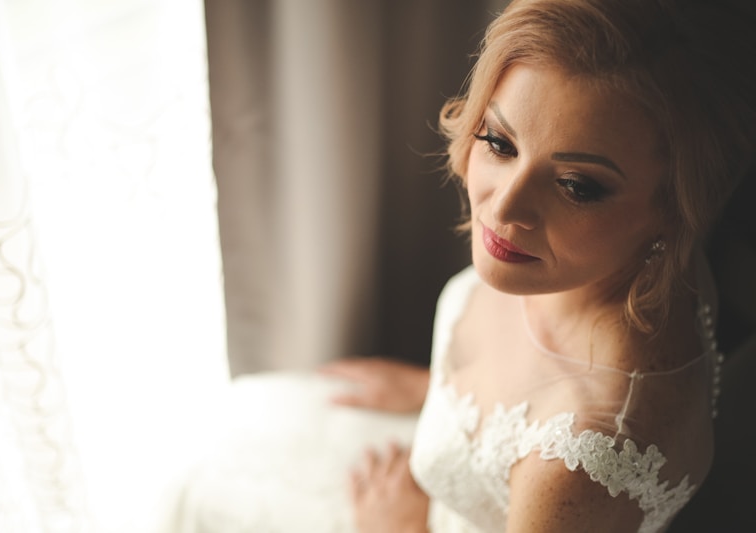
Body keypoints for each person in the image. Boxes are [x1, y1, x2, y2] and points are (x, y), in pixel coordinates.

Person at [320, 0, 756, 531]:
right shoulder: (621, 260)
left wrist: (397, 526)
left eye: (576, 186)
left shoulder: (579, 466)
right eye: (499, 143)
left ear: (675, 207)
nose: (504, 208)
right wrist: (438, 391)